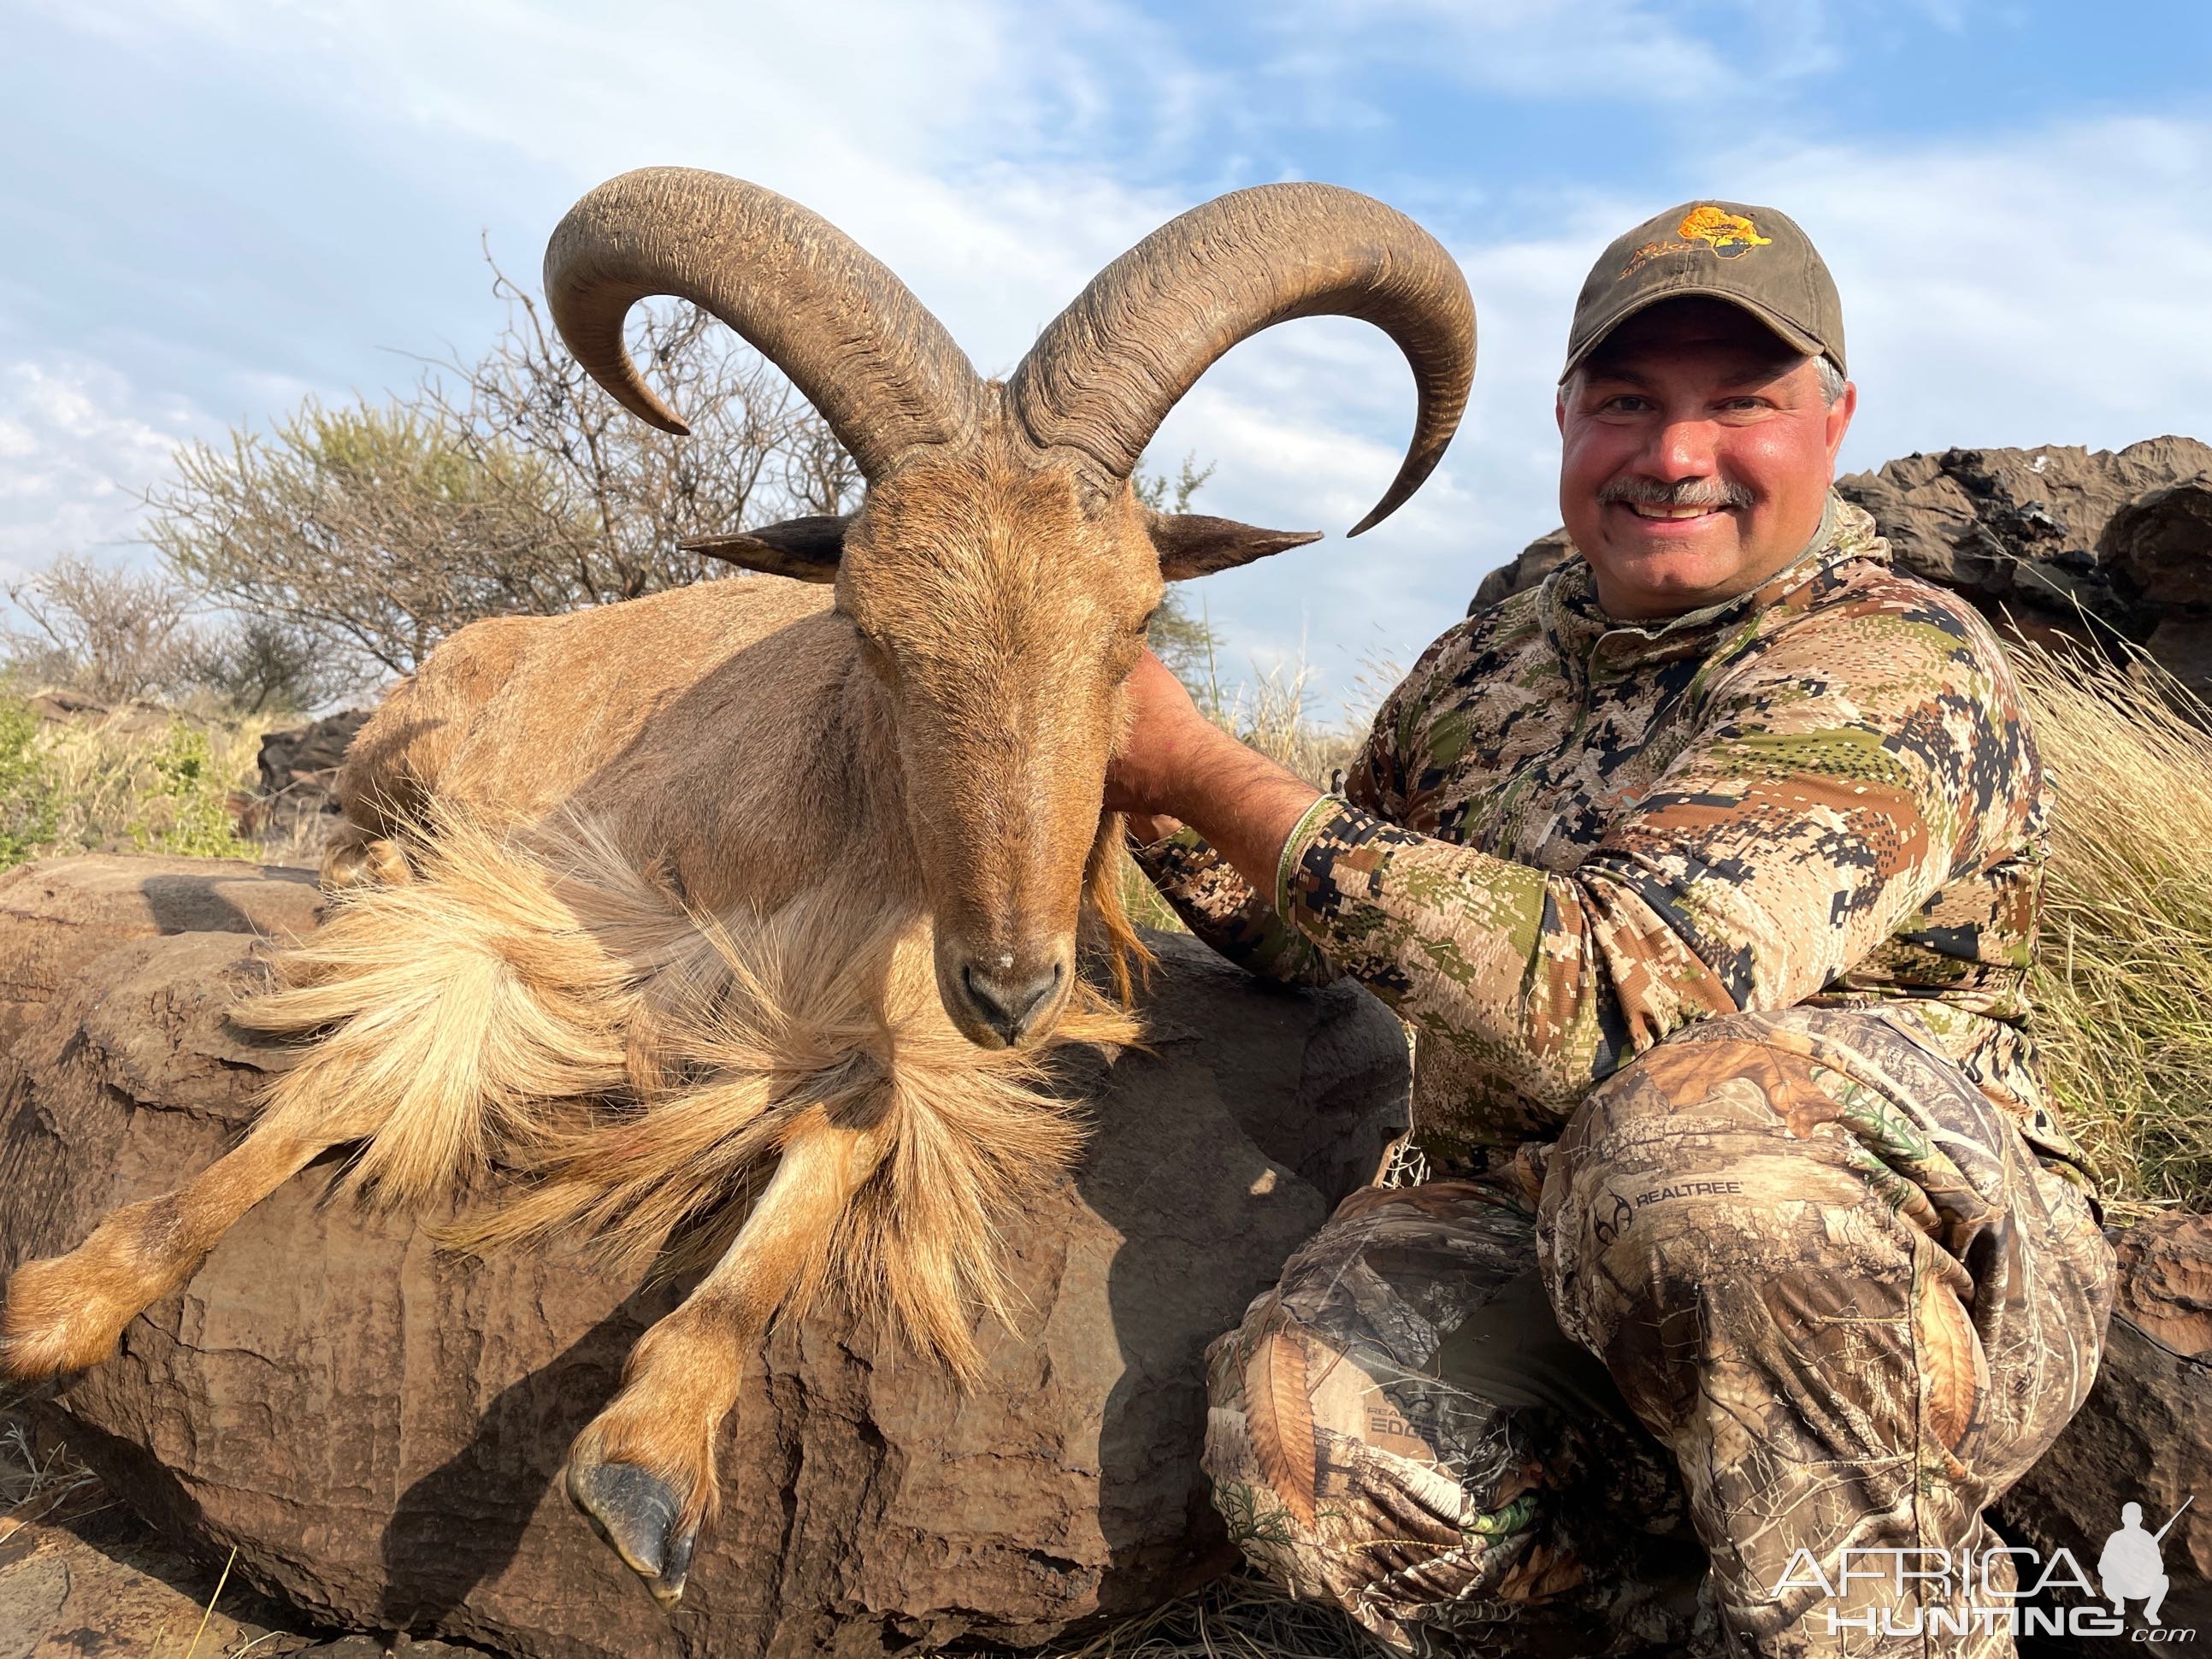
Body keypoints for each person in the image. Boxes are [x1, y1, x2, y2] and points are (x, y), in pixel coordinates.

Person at [1106, 200, 2118, 1657]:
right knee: (1303, 1449)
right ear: (1567, 415)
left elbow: (1618, 1002)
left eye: (1742, 404)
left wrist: (1209, 766)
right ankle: (1691, 1612)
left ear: (1834, 422)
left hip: (1907, 1275)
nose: (1675, 454)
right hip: (1559, 1245)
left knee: (1687, 1141)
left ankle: (1880, 1614)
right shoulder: (1494, 660)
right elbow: (1321, 930)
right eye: (1631, 401)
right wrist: (1119, 766)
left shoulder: (1894, 660)